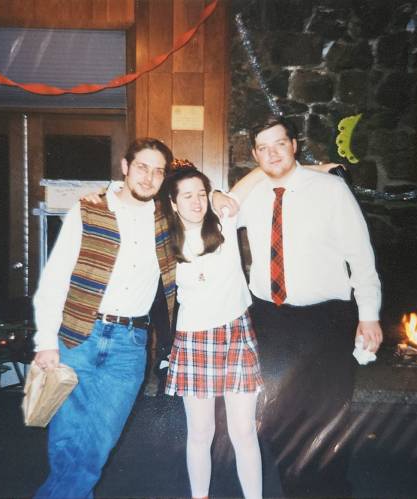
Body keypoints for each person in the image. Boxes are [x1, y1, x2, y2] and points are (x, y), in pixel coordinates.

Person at [213, 115, 383, 495]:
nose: (272, 153)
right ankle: (295, 489)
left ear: (294, 145)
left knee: (328, 415)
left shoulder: (330, 190)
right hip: (270, 320)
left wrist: (369, 315)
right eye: (263, 148)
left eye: (280, 144)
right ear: (254, 154)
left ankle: (329, 491)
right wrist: (219, 194)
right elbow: (216, 214)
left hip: (326, 319)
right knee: (277, 415)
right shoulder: (252, 195)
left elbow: (360, 254)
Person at [32, 138, 176, 498]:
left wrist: (218, 197)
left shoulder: (168, 219)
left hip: (130, 345)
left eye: (158, 171)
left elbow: (205, 197)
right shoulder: (89, 209)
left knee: (98, 444)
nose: (149, 177)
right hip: (79, 334)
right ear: (125, 167)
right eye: (142, 167)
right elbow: (56, 276)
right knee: (65, 439)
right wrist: (46, 340)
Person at [160, 164, 264, 499]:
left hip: (236, 333)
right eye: (187, 196)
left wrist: (220, 193)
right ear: (173, 203)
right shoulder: (165, 241)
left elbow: (260, 173)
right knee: (201, 432)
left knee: (244, 431)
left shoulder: (223, 220)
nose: (197, 202)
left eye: (201, 194)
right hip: (193, 339)